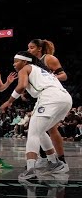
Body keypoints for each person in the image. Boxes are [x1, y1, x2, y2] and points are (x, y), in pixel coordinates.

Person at [0, 51, 71, 181]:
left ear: (25, 61)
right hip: (65, 98)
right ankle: (55, 163)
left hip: (50, 97)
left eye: (16, 61)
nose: (14, 64)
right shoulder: (42, 70)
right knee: (40, 130)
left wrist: (8, 102)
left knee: (32, 132)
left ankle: (31, 169)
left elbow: (21, 86)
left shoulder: (25, 68)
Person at [26, 38, 69, 172]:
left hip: (54, 95)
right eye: (28, 48)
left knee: (50, 129)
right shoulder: (31, 63)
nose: (29, 50)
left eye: (31, 47)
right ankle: (48, 159)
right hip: (43, 97)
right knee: (41, 128)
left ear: (39, 49)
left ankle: (60, 161)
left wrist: (52, 76)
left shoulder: (48, 58)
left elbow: (64, 75)